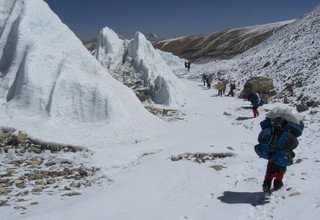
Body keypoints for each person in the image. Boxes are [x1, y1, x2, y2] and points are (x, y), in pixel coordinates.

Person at [254, 107, 304, 192]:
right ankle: (278, 182)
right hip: (283, 152)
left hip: (270, 150)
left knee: (270, 169)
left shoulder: (272, 125)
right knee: (282, 167)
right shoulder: (290, 128)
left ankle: (267, 183)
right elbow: (295, 141)